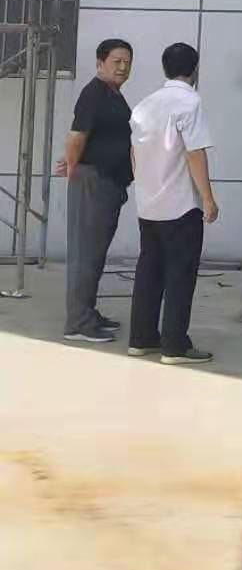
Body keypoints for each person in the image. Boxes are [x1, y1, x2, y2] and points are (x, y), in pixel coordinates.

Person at [128, 41, 218, 364]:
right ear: (195, 70)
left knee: (149, 272)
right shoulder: (190, 102)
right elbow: (194, 152)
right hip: (180, 205)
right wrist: (208, 198)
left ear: (165, 68)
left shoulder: (144, 105)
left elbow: (134, 154)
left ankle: (141, 339)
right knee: (180, 275)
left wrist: (144, 187)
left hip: (148, 205)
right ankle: (174, 346)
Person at [61, 37, 134, 343]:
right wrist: (73, 166)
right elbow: (77, 135)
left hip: (108, 182)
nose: (123, 67)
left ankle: (87, 312)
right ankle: (78, 323)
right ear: (100, 63)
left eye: (127, 62)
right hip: (93, 181)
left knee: (96, 252)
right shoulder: (94, 93)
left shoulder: (113, 95)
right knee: (86, 253)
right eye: (117, 61)